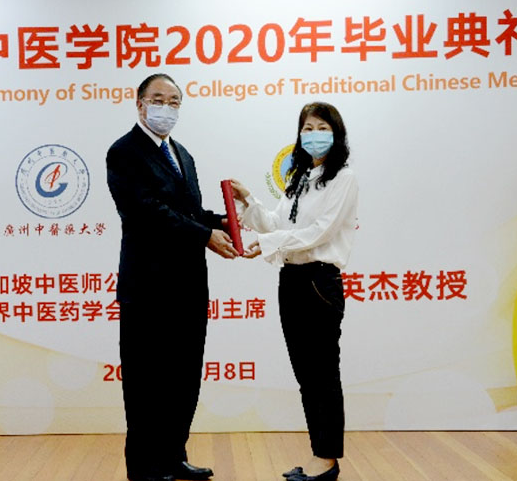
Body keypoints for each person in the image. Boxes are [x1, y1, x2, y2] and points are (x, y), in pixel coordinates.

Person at [106, 73, 239, 481]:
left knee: (183, 377)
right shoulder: (124, 152)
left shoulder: (182, 154)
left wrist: (226, 223)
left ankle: (172, 456)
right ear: (140, 104)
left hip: (188, 286)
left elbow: (189, 212)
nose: (167, 108)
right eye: (158, 99)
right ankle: (144, 467)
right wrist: (204, 235)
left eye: (175, 102)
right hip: (147, 288)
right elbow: (147, 212)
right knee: (147, 381)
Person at [230, 102, 358, 481]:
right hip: (291, 279)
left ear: (336, 134)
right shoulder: (300, 177)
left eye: (322, 128)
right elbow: (276, 224)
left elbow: (321, 231)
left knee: (322, 373)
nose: (314, 135)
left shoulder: (343, 178)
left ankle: (327, 459)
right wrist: (249, 201)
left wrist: (270, 244)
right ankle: (319, 454)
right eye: (307, 128)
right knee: (306, 375)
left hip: (319, 282)